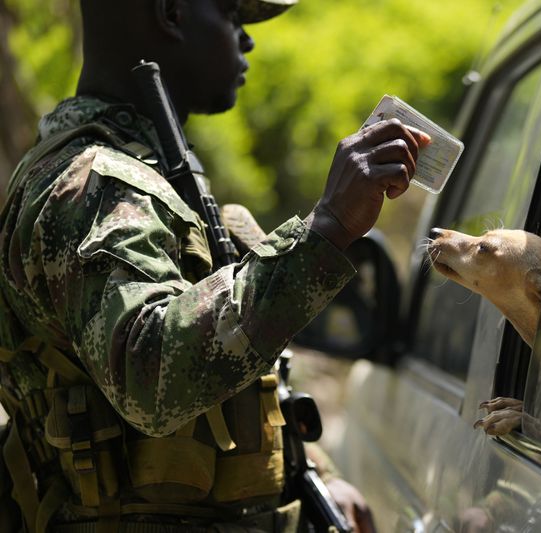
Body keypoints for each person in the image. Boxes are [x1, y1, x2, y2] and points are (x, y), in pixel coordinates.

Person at [0, 0, 430, 531]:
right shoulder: (97, 185)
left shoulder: (146, 173)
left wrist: (311, 469)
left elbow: (237, 381)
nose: (246, 41)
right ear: (171, 12)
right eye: (233, 17)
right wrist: (329, 227)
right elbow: (150, 374)